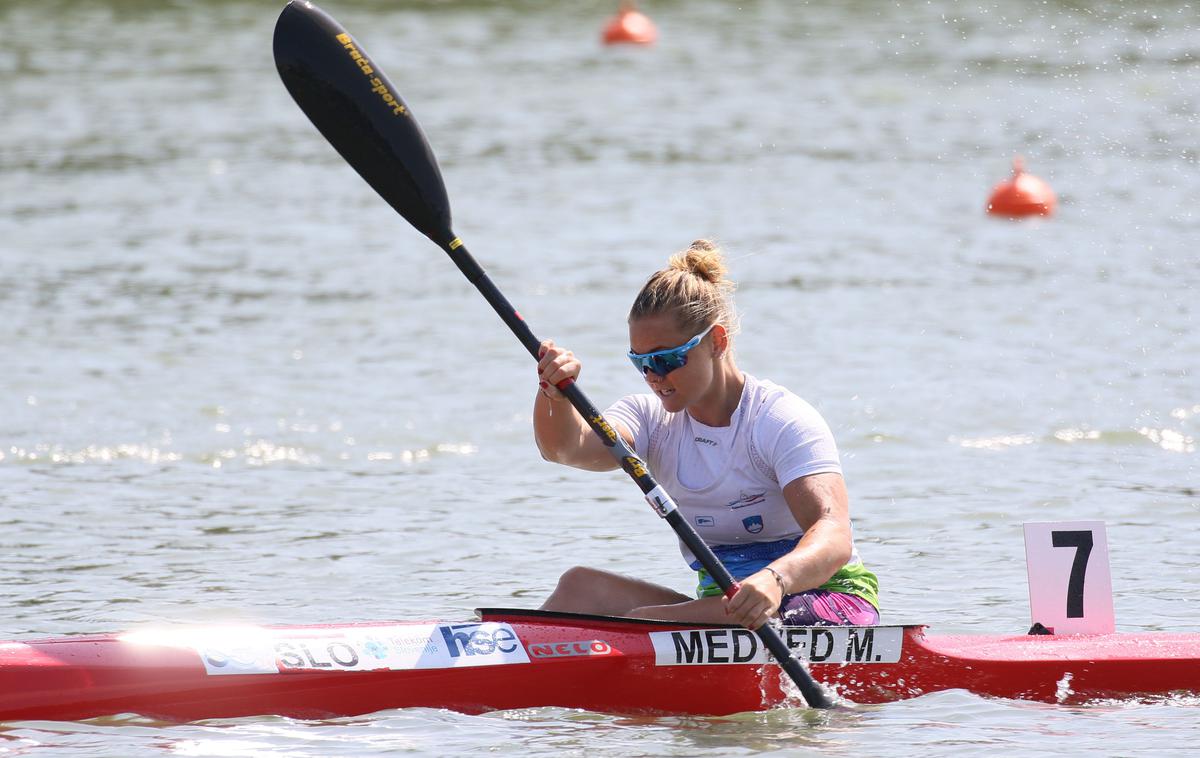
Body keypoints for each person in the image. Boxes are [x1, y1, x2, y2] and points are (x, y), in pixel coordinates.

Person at [533, 240, 879, 631]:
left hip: (823, 600)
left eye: (666, 359)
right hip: (727, 609)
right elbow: (564, 449)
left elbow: (833, 533)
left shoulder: (779, 419)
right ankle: (504, 670)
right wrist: (553, 392)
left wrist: (774, 579)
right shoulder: (649, 420)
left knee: (642, 623)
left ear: (717, 341)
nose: (653, 376)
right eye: (640, 363)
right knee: (579, 588)